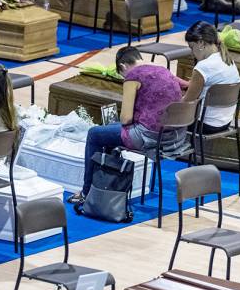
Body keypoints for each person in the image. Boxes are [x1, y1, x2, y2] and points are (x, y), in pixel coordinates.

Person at [68, 46, 185, 204]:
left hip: (148, 137)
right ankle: (107, 187)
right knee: (108, 134)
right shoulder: (163, 69)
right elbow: (188, 85)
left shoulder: (133, 76)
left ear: (123, 66)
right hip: (175, 136)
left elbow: (126, 119)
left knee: (95, 134)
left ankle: (87, 192)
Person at [182, 21, 240, 133]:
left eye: (191, 47)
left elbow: (187, 102)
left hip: (204, 125)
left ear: (200, 43)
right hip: (225, 122)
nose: (192, 53)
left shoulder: (203, 67)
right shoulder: (227, 59)